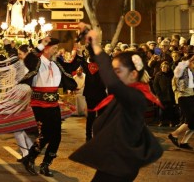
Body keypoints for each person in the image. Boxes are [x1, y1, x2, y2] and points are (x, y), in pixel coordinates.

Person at [69, 23, 163, 182]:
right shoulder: (123, 96)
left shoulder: (135, 97)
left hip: (120, 166)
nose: (112, 75)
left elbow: (111, 82)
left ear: (133, 74)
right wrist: (91, 45)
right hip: (113, 164)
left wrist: (96, 46)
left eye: (118, 71)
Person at [20, 37, 77, 177]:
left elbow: (71, 68)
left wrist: (79, 54)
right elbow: (28, 60)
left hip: (53, 103)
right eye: (54, 48)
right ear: (46, 48)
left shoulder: (56, 64)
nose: (56, 51)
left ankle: (45, 164)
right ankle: (30, 158)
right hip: (39, 104)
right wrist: (40, 45)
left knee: (56, 136)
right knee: (45, 134)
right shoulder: (37, 62)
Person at [168, 49, 194, 150]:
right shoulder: (181, 70)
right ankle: (173, 134)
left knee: (193, 122)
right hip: (183, 97)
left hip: (191, 96)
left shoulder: (191, 71)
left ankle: (184, 142)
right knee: (191, 121)